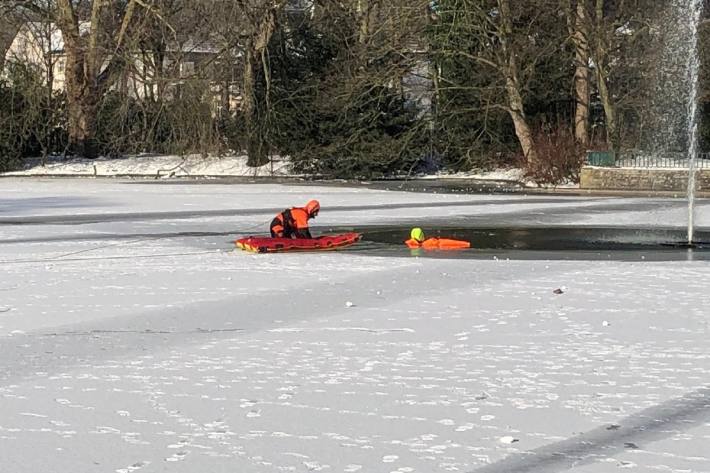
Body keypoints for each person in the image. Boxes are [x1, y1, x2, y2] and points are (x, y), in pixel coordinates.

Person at [405, 227, 470, 250]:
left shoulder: (409, 244)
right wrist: (466, 244)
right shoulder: (428, 243)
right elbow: (447, 243)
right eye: (422, 235)